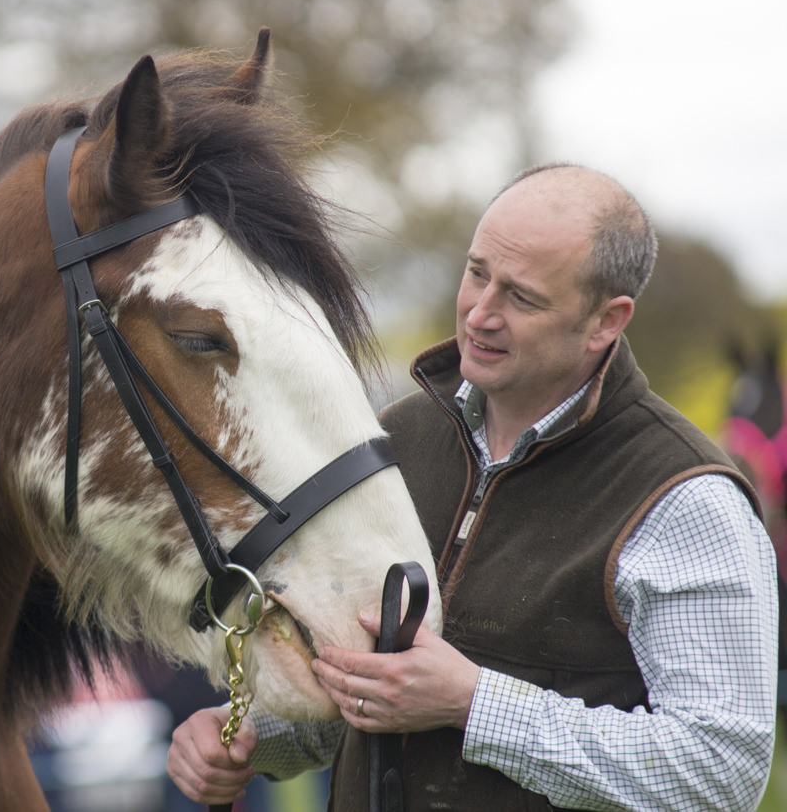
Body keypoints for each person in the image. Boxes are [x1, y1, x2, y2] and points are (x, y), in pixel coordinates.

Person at [166, 163, 779, 810]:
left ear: (605, 320)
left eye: (522, 296)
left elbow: (721, 770)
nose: (480, 313)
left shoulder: (685, 496)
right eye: (477, 271)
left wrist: (472, 702)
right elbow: (359, 685)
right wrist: (251, 738)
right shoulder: (390, 439)